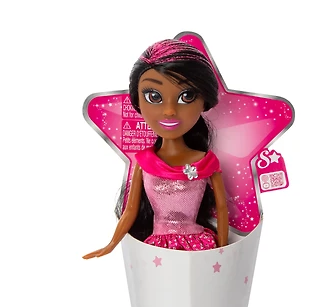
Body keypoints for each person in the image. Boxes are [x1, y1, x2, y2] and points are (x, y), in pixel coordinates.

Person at [83, 39, 228, 258]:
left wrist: (223, 250)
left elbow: (222, 209)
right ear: (138, 102)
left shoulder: (206, 161)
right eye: (154, 97)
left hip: (199, 246)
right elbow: (130, 210)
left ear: (204, 101)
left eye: (187, 96)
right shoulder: (145, 163)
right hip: (157, 248)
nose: (169, 111)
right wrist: (111, 244)